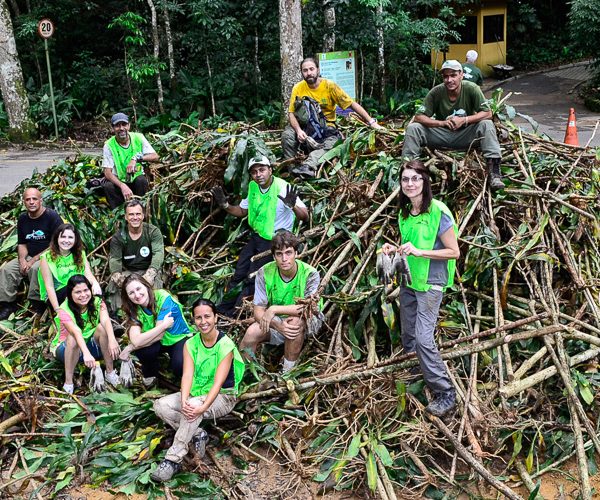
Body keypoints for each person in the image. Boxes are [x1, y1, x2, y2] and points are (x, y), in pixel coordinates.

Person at [382, 160, 459, 418]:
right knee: (408, 334)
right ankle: (417, 370)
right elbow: (409, 245)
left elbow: (454, 252)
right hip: (409, 280)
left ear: (425, 181)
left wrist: (419, 252)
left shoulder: (439, 212)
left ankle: (445, 392)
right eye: (405, 179)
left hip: (431, 283)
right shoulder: (405, 212)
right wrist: (394, 249)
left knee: (424, 338)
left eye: (415, 178)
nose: (410, 184)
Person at [151, 298, 245, 482]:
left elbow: (218, 383)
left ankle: (172, 459)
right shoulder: (191, 343)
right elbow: (187, 375)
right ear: (193, 320)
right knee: (160, 405)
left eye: (207, 316)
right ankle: (197, 433)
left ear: (216, 318)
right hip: (196, 392)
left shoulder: (225, 345)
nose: (203, 322)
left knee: (192, 409)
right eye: (198, 318)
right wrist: (184, 399)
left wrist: (202, 407)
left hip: (222, 397)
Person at [212, 156, 309, 317]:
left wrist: (292, 206)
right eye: (254, 172)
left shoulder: (282, 187)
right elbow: (242, 211)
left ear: (270, 170)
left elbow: (305, 216)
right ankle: (222, 309)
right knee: (239, 272)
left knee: (253, 278)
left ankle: (235, 314)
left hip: (276, 241)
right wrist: (225, 205)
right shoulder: (253, 187)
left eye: (262, 170)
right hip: (257, 237)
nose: (258, 175)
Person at [401, 60, 504, 190]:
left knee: (487, 124)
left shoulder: (472, 89)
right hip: (442, 136)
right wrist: (442, 123)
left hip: (466, 136)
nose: (449, 80)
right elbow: (418, 116)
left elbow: (488, 113)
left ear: (461, 75)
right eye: (446, 76)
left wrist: (465, 120)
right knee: (413, 128)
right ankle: (409, 171)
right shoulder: (436, 92)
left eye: (453, 75)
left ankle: (494, 173)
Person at [281, 57, 383, 178]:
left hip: (327, 128)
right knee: (287, 135)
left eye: (311, 69)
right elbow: (291, 113)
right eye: (305, 70)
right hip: (305, 127)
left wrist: (371, 122)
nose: (309, 73)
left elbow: (351, 104)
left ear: (318, 70)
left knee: (333, 145)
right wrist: (298, 130)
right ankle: (292, 170)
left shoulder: (330, 86)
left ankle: (307, 166)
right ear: (302, 73)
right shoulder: (298, 88)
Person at [240, 230, 322, 373]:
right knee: (252, 332)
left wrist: (274, 309)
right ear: (274, 256)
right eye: (279, 254)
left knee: (294, 323)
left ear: (296, 253)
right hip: (277, 320)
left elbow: (308, 309)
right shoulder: (264, 272)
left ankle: (287, 374)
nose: (284, 258)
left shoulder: (310, 273)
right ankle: (241, 374)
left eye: (288, 253)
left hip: (308, 319)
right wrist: (278, 325)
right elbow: (258, 311)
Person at [50, 275, 121, 394]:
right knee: (72, 338)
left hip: (90, 346)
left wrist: (112, 339)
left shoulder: (97, 301)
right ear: (70, 294)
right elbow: (76, 332)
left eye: (86, 290)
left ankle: (110, 372)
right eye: (78, 292)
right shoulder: (64, 309)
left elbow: (105, 320)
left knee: (102, 328)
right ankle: (68, 383)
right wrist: (86, 353)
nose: (83, 295)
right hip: (67, 350)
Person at [119, 274, 192, 386]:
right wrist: (163, 326)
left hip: (178, 338)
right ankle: (151, 376)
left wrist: (130, 348)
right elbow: (136, 340)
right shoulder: (134, 308)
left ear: (146, 286)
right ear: (127, 296)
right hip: (157, 340)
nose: (137, 295)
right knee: (143, 352)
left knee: (179, 365)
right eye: (131, 293)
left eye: (138, 289)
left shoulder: (163, 298)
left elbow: (159, 335)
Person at [0, 188, 62, 319]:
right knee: (7, 270)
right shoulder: (23, 218)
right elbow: (22, 243)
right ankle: (7, 305)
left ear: (41, 200)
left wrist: (33, 260)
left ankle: (37, 304)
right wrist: (22, 260)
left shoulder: (52, 216)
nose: (31, 202)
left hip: (49, 255)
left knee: (35, 269)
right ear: (24, 202)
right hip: (29, 254)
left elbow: (56, 244)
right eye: (28, 199)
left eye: (34, 199)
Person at [107, 200, 164, 314]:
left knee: (154, 285)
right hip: (130, 272)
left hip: (149, 269)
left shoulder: (153, 232)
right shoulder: (119, 237)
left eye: (138, 214)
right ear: (126, 217)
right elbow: (115, 260)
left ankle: (154, 312)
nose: (135, 217)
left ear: (143, 215)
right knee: (113, 286)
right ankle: (120, 315)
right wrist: (120, 279)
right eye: (131, 214)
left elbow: (158, 253)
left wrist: (149, 274)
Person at [38, 223, 102, 315]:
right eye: (63, 237)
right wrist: (57, 310)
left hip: (78, 289)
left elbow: (88, 274)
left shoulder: (80, 253)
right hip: (57, 294)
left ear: (75, 240)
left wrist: (95, 284)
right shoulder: (46, 257)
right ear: (57, 238)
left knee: (97, 292)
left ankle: (104, 318)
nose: (66, 240)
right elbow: (49, 286)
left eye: (70, 237)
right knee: (74, 290)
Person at [103, 112, 159, 209]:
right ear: (112, 128)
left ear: (129, 126)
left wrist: (136, 159)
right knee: (108, 186)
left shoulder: (138, 137)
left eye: (124, 124)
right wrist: (122, 186)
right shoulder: (109, 145)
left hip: (136, 180)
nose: (121, 128)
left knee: (141, 180)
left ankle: (140, 210)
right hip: (119, 182)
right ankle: (119, 212)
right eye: (117, 125)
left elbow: (155, 156)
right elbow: (107, 173)